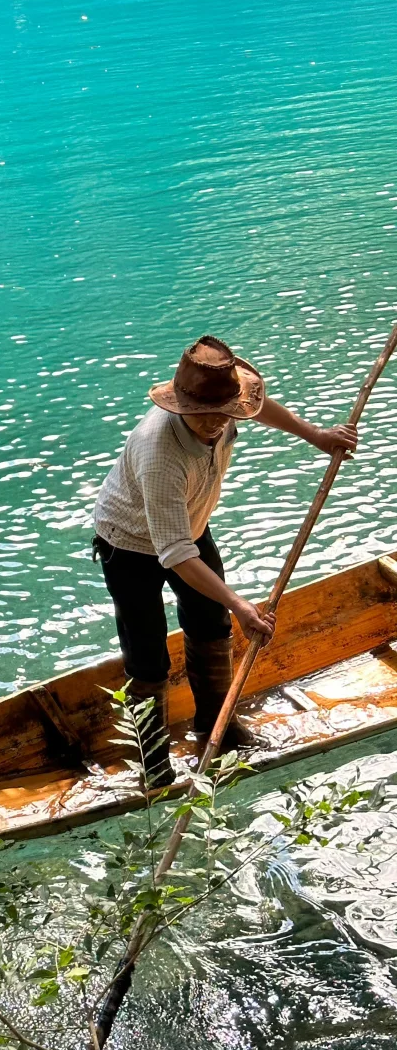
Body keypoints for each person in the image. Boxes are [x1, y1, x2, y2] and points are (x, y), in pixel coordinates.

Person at [93, 334, 358, 788]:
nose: (217, 423)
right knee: (148, 654)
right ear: (182, 408)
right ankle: (153, 760)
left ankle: (217, 726)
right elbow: (173, 554)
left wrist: (315, 435)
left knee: (211, 625)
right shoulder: (160, 451)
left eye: (226, 413)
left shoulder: (221, 410)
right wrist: (243, 605)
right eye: (206, 416)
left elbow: (261, 406)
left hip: (189, 525)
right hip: (130, 544)